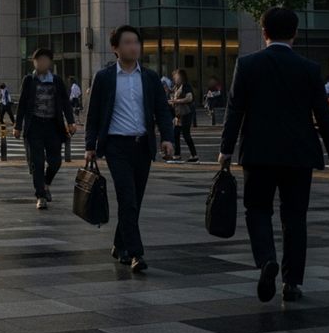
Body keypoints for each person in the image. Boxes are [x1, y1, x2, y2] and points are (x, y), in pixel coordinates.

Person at [220, 8, 329, 303]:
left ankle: (266, 261)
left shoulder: (247, 64)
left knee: (258, 209)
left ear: (264, 33)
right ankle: (292, 283)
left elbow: (234, 109)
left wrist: (226, 149)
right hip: (299, 154)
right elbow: (324, 115)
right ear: (295, 34)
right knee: (295, 217)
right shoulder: (309, 68)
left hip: (258, 152)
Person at [84, 25, 174, 273]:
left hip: (142, 145)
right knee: (127, 198)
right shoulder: (104, 77)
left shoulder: (149, 77)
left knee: (135, 200)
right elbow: (93, 116)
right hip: (116, 146)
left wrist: (167, 138)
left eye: (136, 42)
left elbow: (162, 111)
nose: (134, 47)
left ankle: (118, 244)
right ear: (115, 48)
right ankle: (136, 253)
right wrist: (90, 146)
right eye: (127, 42)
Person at [13, 49, 75, 209]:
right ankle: (40, 195)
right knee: (37, 162)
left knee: (55, 161)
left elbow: (65, 103)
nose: (41, 63)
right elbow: (22, 104)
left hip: (53, 126)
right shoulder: (29, 80)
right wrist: (17, 126)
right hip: (34, 127)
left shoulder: (56, 81)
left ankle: (46, 183)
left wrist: (71, 121)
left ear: (50, 63)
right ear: (34, 62)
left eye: (45, 60)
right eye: (38, 60)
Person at [168, 69, 199, 164]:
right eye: (174, 77)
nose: (175, 78)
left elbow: (189, 98)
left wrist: (175, 101)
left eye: (177, 77)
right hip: (179, 114)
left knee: (186, 134)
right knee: (175, 133)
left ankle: (194, 155)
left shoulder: (186, 86)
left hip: (186, 113)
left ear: (182, 77)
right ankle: (177, 154)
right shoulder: (176, 87)